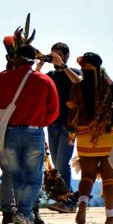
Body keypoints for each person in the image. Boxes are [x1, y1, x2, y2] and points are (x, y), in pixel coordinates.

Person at [0, 44, 59, 224]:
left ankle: (22, 213)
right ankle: (25, 213)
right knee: (35, 178)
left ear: (17, 58)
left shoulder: (4, 78)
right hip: (34, 133)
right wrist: (40, 122)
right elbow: (54, 110)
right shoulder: (44, 80)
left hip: (10, 133)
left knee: (16, 177)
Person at [67, 53, 113, 224]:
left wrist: (71, 133)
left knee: (87, 176)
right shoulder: (110, 86)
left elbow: (72, 112)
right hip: (108, 135)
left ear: (84, 67)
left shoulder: (78, 86)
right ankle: (110, 217)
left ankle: (83, 203)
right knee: (109, 178)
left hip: (86, 135)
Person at [44, 43, 81, 212]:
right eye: (53, 55)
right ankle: (67, 197)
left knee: (62, 162)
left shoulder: (73, 72)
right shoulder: (50, 75)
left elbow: (79, 82)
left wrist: (63, 66)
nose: (54, 58)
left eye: (58, 55)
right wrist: (39, 63)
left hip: (69, 125)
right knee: (57, 164)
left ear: (66, 56)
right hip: (52, 124)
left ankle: (68, 201)